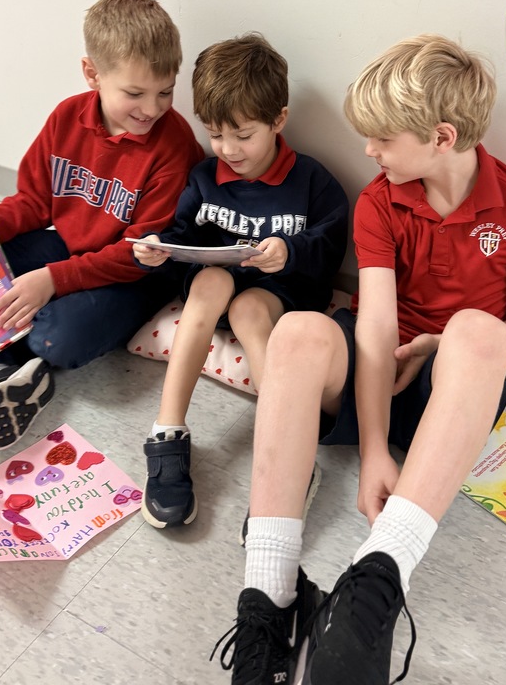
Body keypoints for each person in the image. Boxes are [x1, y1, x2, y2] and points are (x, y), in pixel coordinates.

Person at [214, 34, 506, 685]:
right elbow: (374, 327)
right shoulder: (380, 200)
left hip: (454, 390)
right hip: (374, 375)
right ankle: (269, 596)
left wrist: (447, 340)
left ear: (442, 137)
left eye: (382, 140)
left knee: (478, 333)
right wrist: (374, 449)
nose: (368, 151)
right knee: (296, 335)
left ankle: (376, 586)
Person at [0, 0, 204, 451]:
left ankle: (1, 365)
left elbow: (135, 255)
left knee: (61, 338)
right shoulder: (67, 117)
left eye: (165, 91)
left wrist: (51, 280)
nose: (153, 108)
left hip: (133, 277)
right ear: (93, 74)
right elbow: (32, 202)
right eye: (134, 93)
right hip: (68, 250)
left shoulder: (174, 145)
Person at [132, 33, 349, 530]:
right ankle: (167, 432)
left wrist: (289, 252)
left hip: (282, 295)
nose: (228, 149)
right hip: (215, 284)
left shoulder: (314, 182)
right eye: (214, 134)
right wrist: (156, 248)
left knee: (250, 308)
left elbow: (330, 247)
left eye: (243, 135)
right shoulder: (206, 178)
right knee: (209, 283)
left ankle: (288, 453)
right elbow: (181, 235)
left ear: (279, 120)